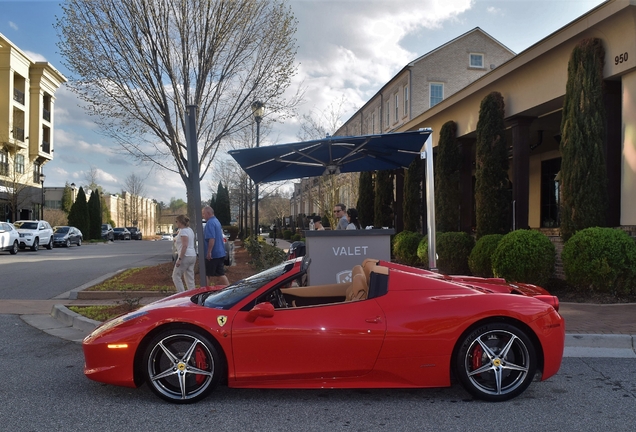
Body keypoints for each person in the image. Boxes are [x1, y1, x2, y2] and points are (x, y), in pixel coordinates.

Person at [202, 206, 230, 286]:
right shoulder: (216, 221)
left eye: (204, 214)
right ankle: (229, 289)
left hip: (213, 254)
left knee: (206, 274)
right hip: (220, 252)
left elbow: (211, 238)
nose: (203, 216)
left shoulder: (210, 223)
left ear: (208, 213)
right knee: (220, 274)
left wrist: (209, 252)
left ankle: (204, 292)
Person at [172, 214, 197, 292]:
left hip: (185, 256)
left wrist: (180, 259)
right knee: (190, 277)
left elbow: (184, 246)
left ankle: (182, 294)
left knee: (176, 276)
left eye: (177, 221)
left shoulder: (183, 231)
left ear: (180, 222)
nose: (176, 223)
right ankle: (192, 294)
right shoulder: (190, 230)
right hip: (192, 255)